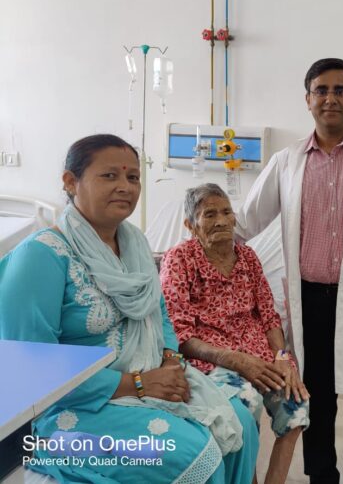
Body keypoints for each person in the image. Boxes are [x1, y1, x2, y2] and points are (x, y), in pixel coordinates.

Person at [0, 134, 259, 483]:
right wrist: (137, 383)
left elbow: (159, 313)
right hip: (72, 408)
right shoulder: (41, 256)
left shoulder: (135, 244)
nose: (125, 186)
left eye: (133, 177)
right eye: (109, 175)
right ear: (70, 182)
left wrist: (171, 363)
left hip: (151, 375)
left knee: (241, 423)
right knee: (190, 453)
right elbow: (33, 369)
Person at [234, 58, 343, 484]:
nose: (330, 98)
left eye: (339, 90)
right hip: (309, 300)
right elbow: (245, 221)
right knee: (314, 398)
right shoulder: (287, 161)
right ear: (308, 99)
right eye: (321, 90)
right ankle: (321, 476)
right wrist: (199, 233)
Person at [160, 183, 310, 484]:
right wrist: (235, 360)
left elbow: (268, 315)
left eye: (226, 212)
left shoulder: (248, 257)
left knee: (297, 405)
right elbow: (180, 335)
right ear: (191, 225)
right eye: (209, 214)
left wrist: (283, 357)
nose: (220, 220)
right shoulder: (179, 259)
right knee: (245, 405)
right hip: (211, 360)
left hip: (261, 354)